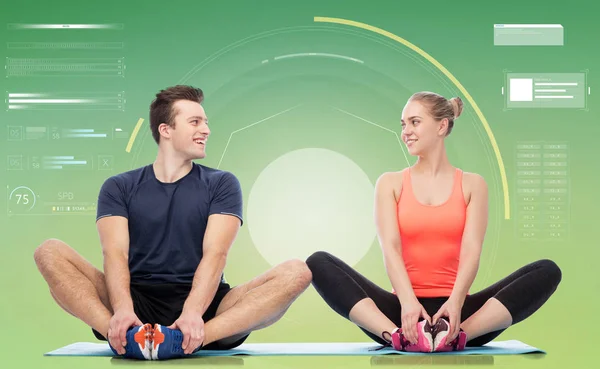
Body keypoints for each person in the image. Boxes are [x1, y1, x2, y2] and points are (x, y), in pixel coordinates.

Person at [34, 85, 312, 360]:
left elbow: (216, 254)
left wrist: (192, 313)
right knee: (49, 251)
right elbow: (115, 254)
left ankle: (185, 340)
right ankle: (122, 333)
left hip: (206, 307)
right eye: (195, 122)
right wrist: (121, 310)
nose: (206, 130)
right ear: (166, 130)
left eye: (205, 122)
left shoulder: (221, 183)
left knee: (297, 272)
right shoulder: (119, 186)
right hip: (135, 300)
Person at [306, 91, 562, 353]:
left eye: (414, 122)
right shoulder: (390, 183)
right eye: (403, 124)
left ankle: (456, 336)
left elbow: (472, 249)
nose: (406, 131)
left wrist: (456, 303)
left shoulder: (473, 185)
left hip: (458, 312)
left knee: (547, 270)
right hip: (402, 312)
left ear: (441, 126)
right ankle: (398, 336)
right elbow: (390, 248)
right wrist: (407, 303)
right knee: (318, 261)